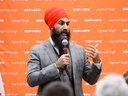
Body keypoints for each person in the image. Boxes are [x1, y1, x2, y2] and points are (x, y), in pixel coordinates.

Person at [27, 6, 102, 96]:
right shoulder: (37, 50)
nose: (65, 27)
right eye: (61, 23)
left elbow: (91, 80)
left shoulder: (79, 50)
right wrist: (56, 66)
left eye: (67, 24)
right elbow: (31, 79)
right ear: (51, 26)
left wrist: (96, 62)